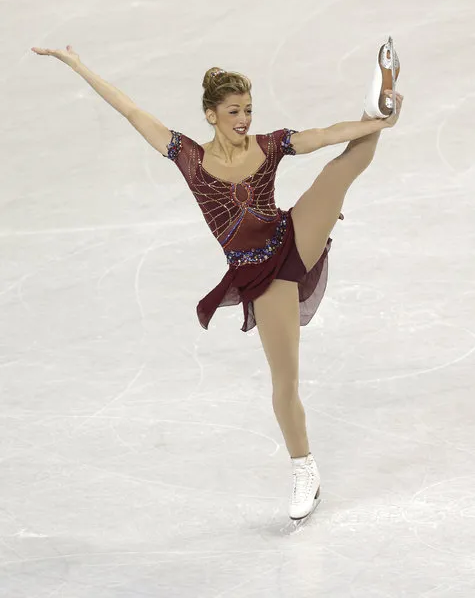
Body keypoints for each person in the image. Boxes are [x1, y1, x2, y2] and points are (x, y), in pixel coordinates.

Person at [31, 39, 403, 522]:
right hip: (257, 275)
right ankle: (304, 468)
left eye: (248, 109)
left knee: (343, 166)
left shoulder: (268, 146)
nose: (244, 119)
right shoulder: (186, 156)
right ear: (211, 115)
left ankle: (379, 104)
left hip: (292, 236)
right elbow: (130, 110)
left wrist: (375, 122)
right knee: (285, 380)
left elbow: (323, 135)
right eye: (233, 111)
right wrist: (78, 65)